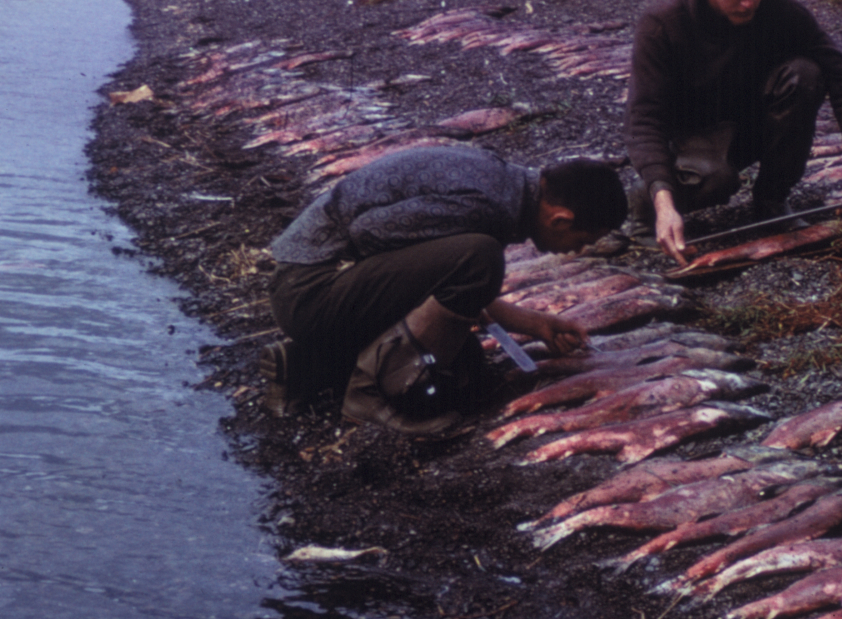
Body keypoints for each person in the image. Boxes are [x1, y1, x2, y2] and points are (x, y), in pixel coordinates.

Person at [260, 144, 628, 433]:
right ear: (561, 218)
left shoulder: (505, 184)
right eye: (584, 240)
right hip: (308, 294)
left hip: (318, 286)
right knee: (479, 258)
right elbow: (368, 233)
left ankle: (308, 366)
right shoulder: (489, 206)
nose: (578, 251)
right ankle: (368, 394)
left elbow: (425, 273)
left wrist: (537, 324)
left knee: (466, 368)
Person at [625, 0, 842, 267]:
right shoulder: (662, 23)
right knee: (716, 180)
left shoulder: (781, 11)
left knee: (807, 74)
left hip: (748, 125)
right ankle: (641, 203)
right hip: (691, 137)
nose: (750, 2)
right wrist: (664, 202)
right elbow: (643, 121)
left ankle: (772, 199)